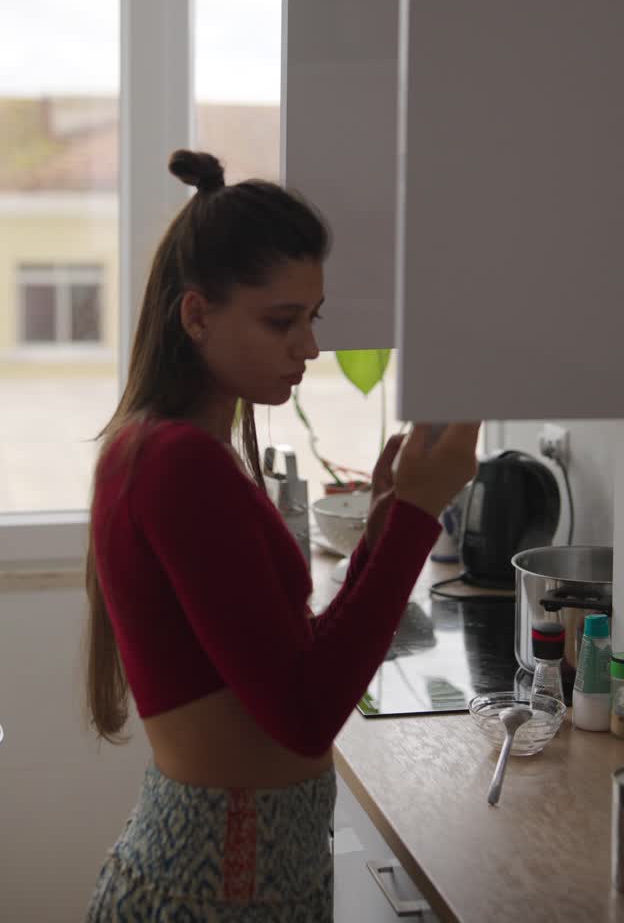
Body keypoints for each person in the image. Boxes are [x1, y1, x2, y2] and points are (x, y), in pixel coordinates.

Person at [84, 148, 480, 922]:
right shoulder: (177, 465)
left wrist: (383, 528)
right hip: (213, 892)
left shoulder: (165, 450)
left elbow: (294, 664)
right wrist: (416, 519)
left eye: (312, 317)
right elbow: (304, 714)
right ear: (196, 314)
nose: (310, 347)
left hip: (235, 877)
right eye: (282, 321)